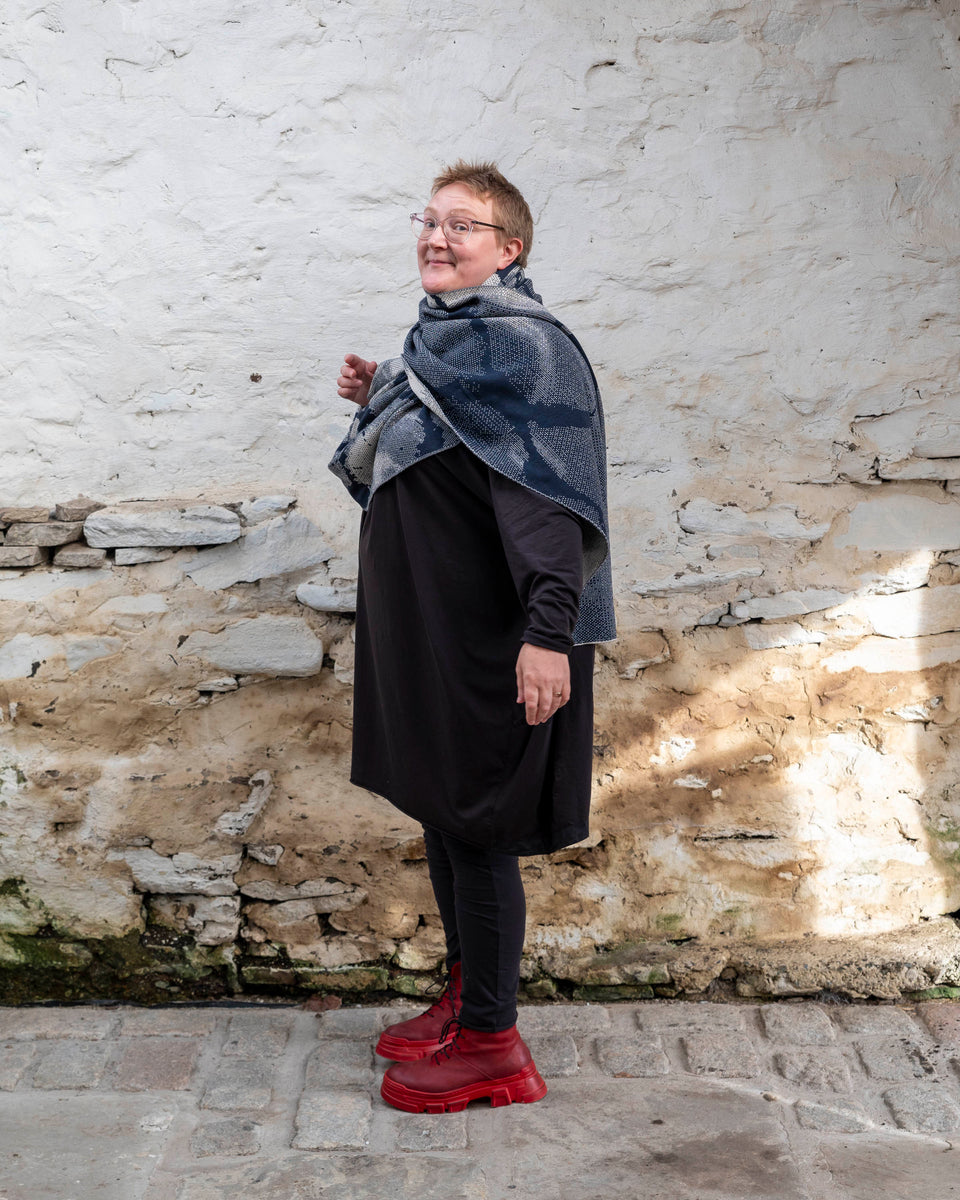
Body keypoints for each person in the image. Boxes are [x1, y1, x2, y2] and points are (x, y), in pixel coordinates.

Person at [329, 160, 615, 1114]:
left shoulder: (520, 350)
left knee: (480, 830)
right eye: (430, 220)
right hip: (438, 636)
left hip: (500, 640)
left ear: (509, 248)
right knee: (446, 818)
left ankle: (494, 1044)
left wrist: (548, 634)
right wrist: (389, 393)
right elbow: (460, 450)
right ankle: (466, 999)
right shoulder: (448, 345)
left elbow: (543, 501)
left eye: (463, 226)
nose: (437, 238)